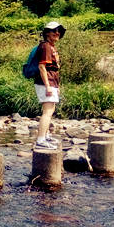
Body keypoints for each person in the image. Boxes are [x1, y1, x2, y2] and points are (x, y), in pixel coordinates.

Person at [33, 21, 65, 150]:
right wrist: (47, 86)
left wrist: (55, 86)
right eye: (54, 31)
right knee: (47, 111)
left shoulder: (51, 46)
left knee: (50, 110)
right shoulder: (46, 46)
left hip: (52, 82)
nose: (57, 33)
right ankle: (41, 140)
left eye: (59, 31)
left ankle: (45, 136)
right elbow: (42, 66)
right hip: (46, 82)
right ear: (47, 33)